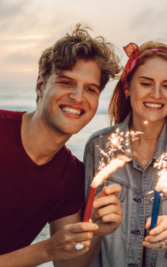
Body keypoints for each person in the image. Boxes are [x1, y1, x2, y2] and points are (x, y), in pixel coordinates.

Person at [84, 41, 167, 267]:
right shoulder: (99, 147)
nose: (156, 94)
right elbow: (87, 230)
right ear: (127, 87)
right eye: (146, 83)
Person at [0, 24, 123, 267]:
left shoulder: (72, 176)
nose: (78, 97)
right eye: (67, 82)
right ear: (40, 85)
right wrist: (45, 250)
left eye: (90, 89)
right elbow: (50, 251)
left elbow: (71, 265)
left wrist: (95, 229)